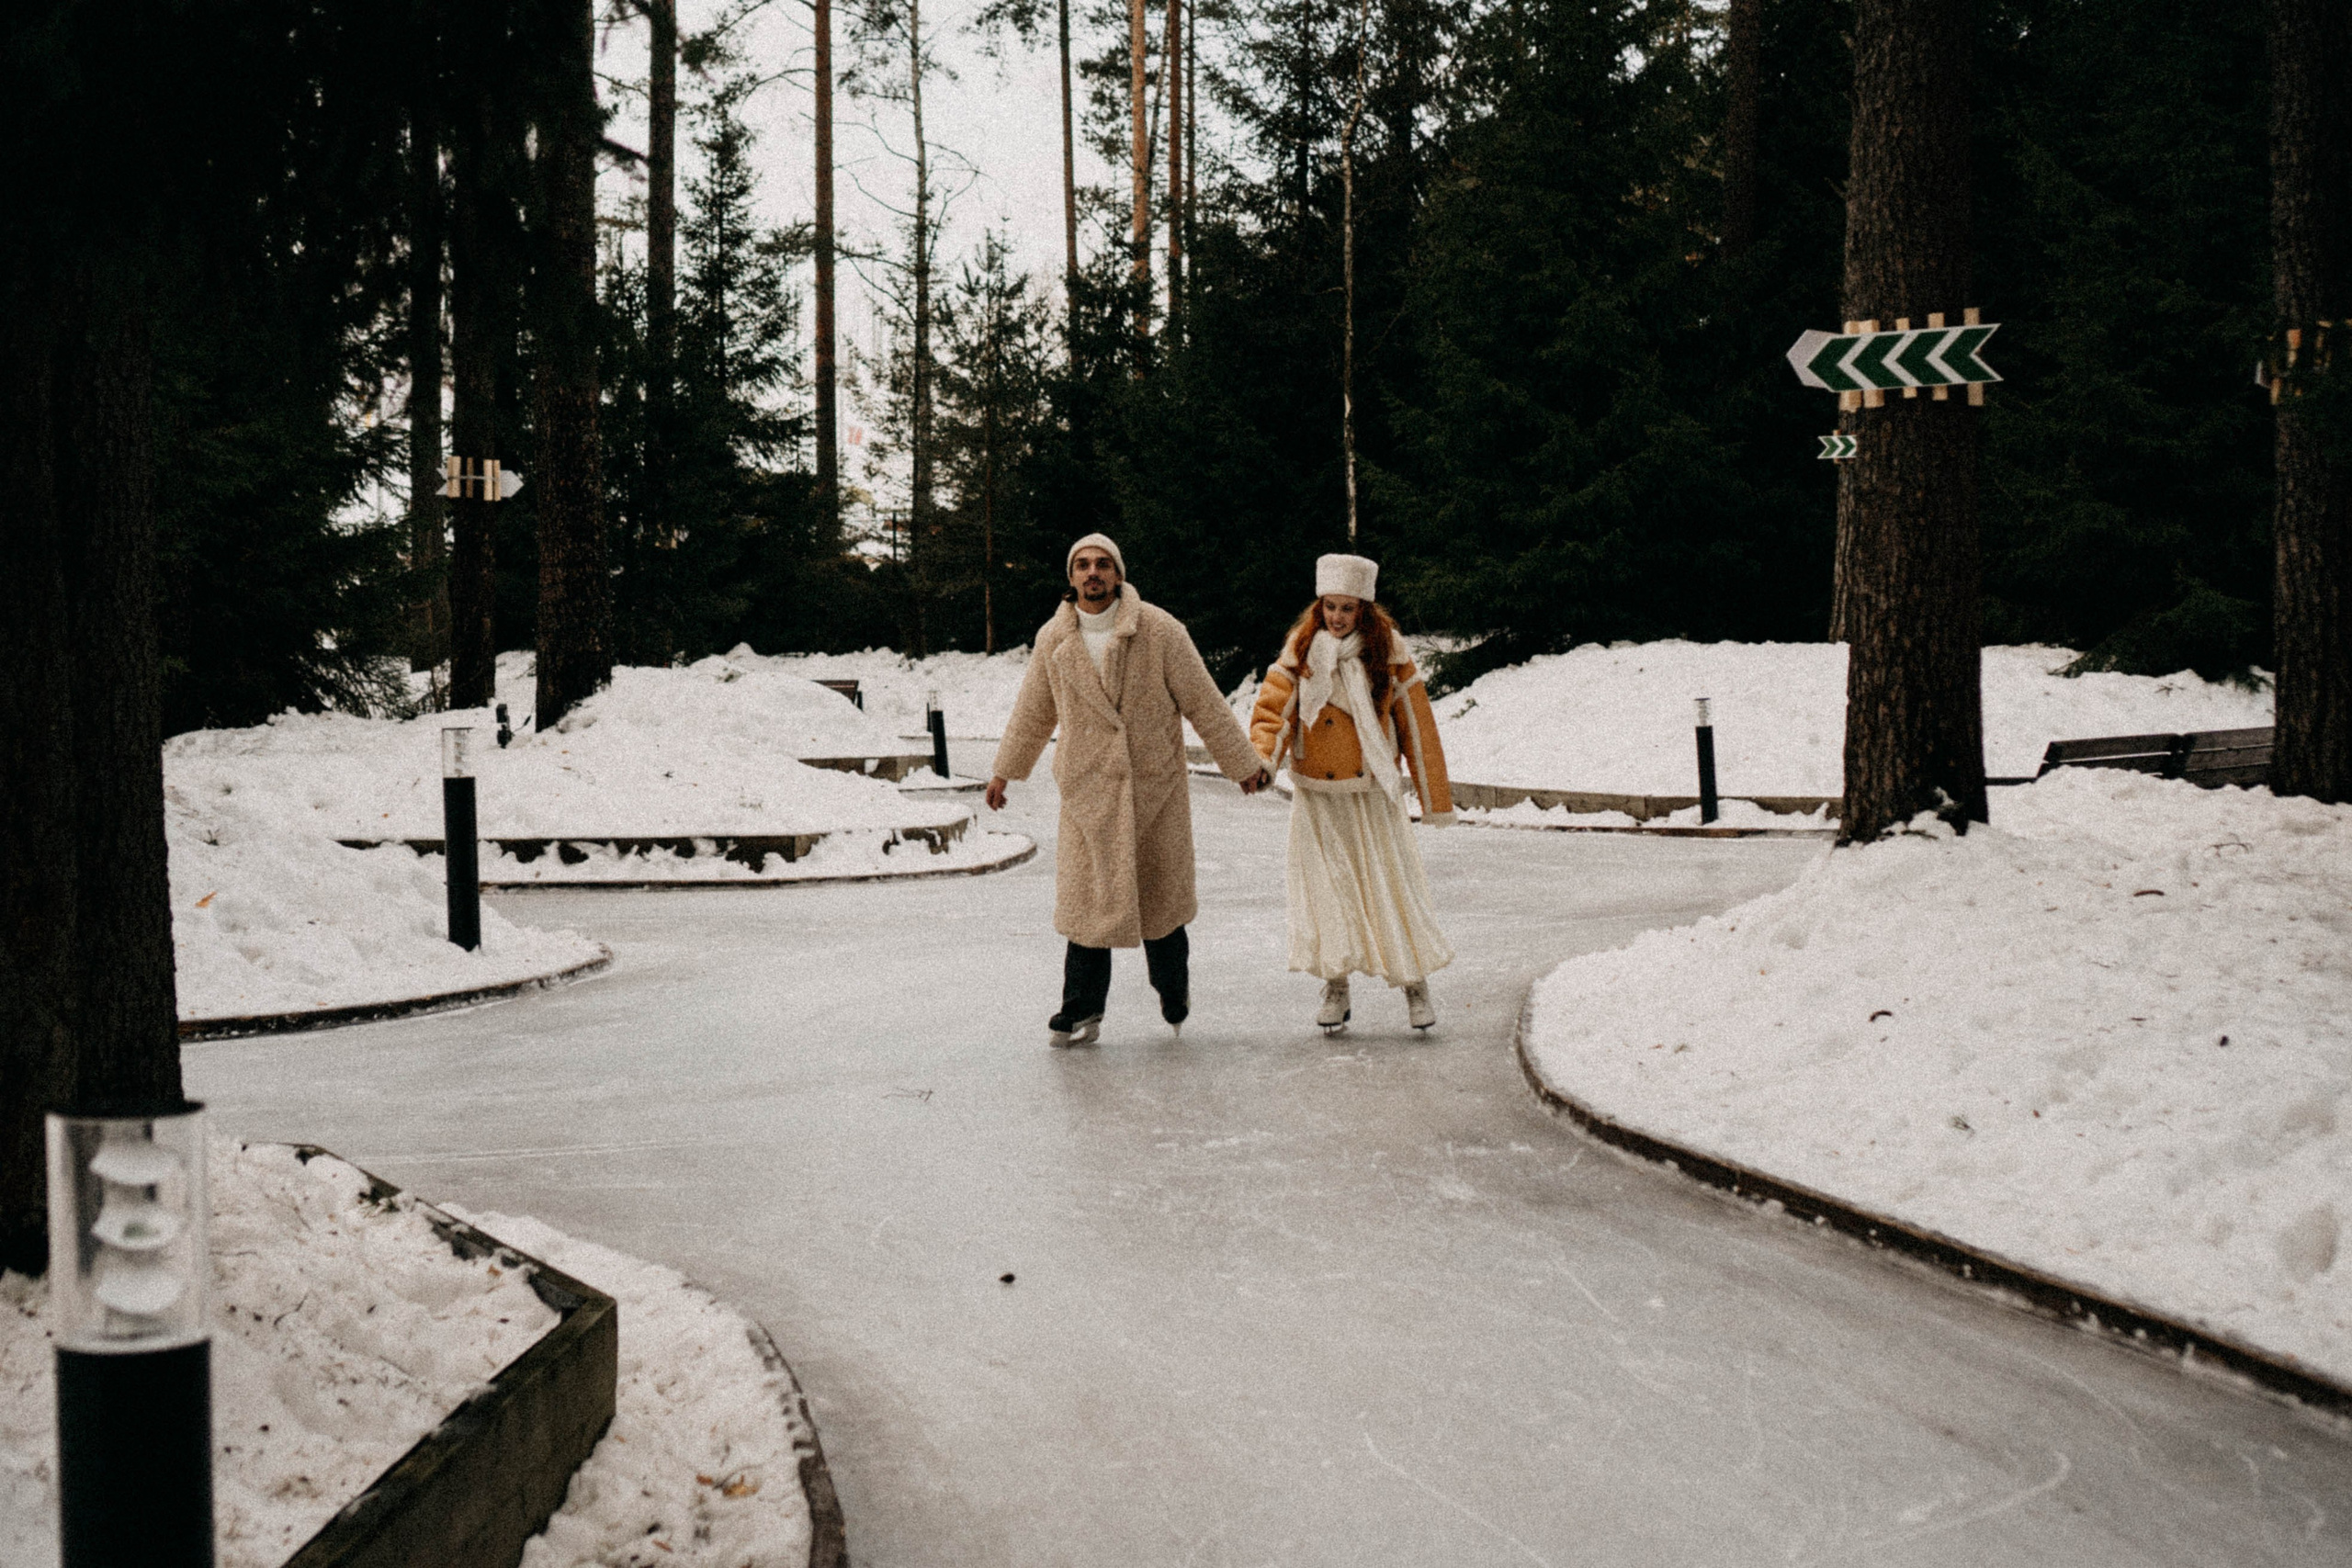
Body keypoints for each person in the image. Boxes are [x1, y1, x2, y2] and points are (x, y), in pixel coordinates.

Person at [987, 534, 1272, 1046]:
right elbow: (1033, 711)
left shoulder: (1159, 631)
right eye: (1082, 565)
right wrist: (1005, 771)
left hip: (1153, 790)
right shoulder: (1054, 639)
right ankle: (1080, 1010)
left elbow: (1203, 701)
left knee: (1160, 905)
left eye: (1102, 565)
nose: (1092, 573)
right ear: (1071, 577)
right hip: (1087, 793)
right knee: (1088, 909)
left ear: (1118, 575)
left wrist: (1243, 764)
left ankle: (1173, 989)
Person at [1249, 553, 1455, 1032]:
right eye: (1329, 607)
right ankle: (1337, 987)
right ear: (1319, 606)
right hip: (1317, 794)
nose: (1337, 618)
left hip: (1371, 792)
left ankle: (1415, 984)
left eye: (1348, 608)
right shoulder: (1301, 650)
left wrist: (1433, 798)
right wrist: (1261, 761)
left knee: (1391, 888)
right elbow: (1272, 712)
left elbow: (1416, 726)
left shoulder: (1389, 653)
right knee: (1328, 893)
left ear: (1365, 609)